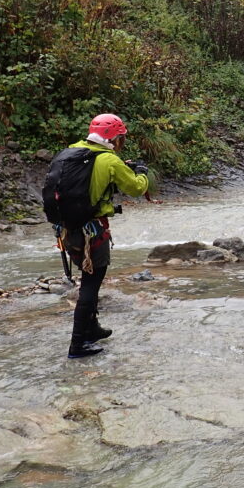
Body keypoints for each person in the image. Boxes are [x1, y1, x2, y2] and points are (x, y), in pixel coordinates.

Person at [62, 113, 150, 358]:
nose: (122, 142)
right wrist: (141, 171)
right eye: (121, 137)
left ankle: (92, 329)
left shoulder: (72, 151)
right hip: (93, 232)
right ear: (113, 137)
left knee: (87, 277)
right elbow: (136, 187)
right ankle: (78, 345)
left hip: (67, 230)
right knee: (90, 285)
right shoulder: (109, 160)